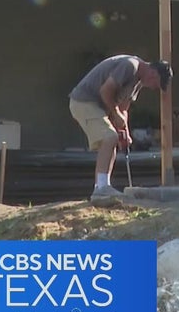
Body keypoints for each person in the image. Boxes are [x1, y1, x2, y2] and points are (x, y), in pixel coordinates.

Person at [68, 55, 172, 206]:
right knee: (109, 137)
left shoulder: (138, 82)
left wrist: (125, 133)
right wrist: (115, 114)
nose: (154, 88)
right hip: (84, 102)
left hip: (98, 106)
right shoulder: (130, 66)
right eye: (156, 84)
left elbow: (123, 108)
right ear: (153, 74)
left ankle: (104, 187)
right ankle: (101, 188)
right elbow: (105, 91)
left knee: (113, 140)